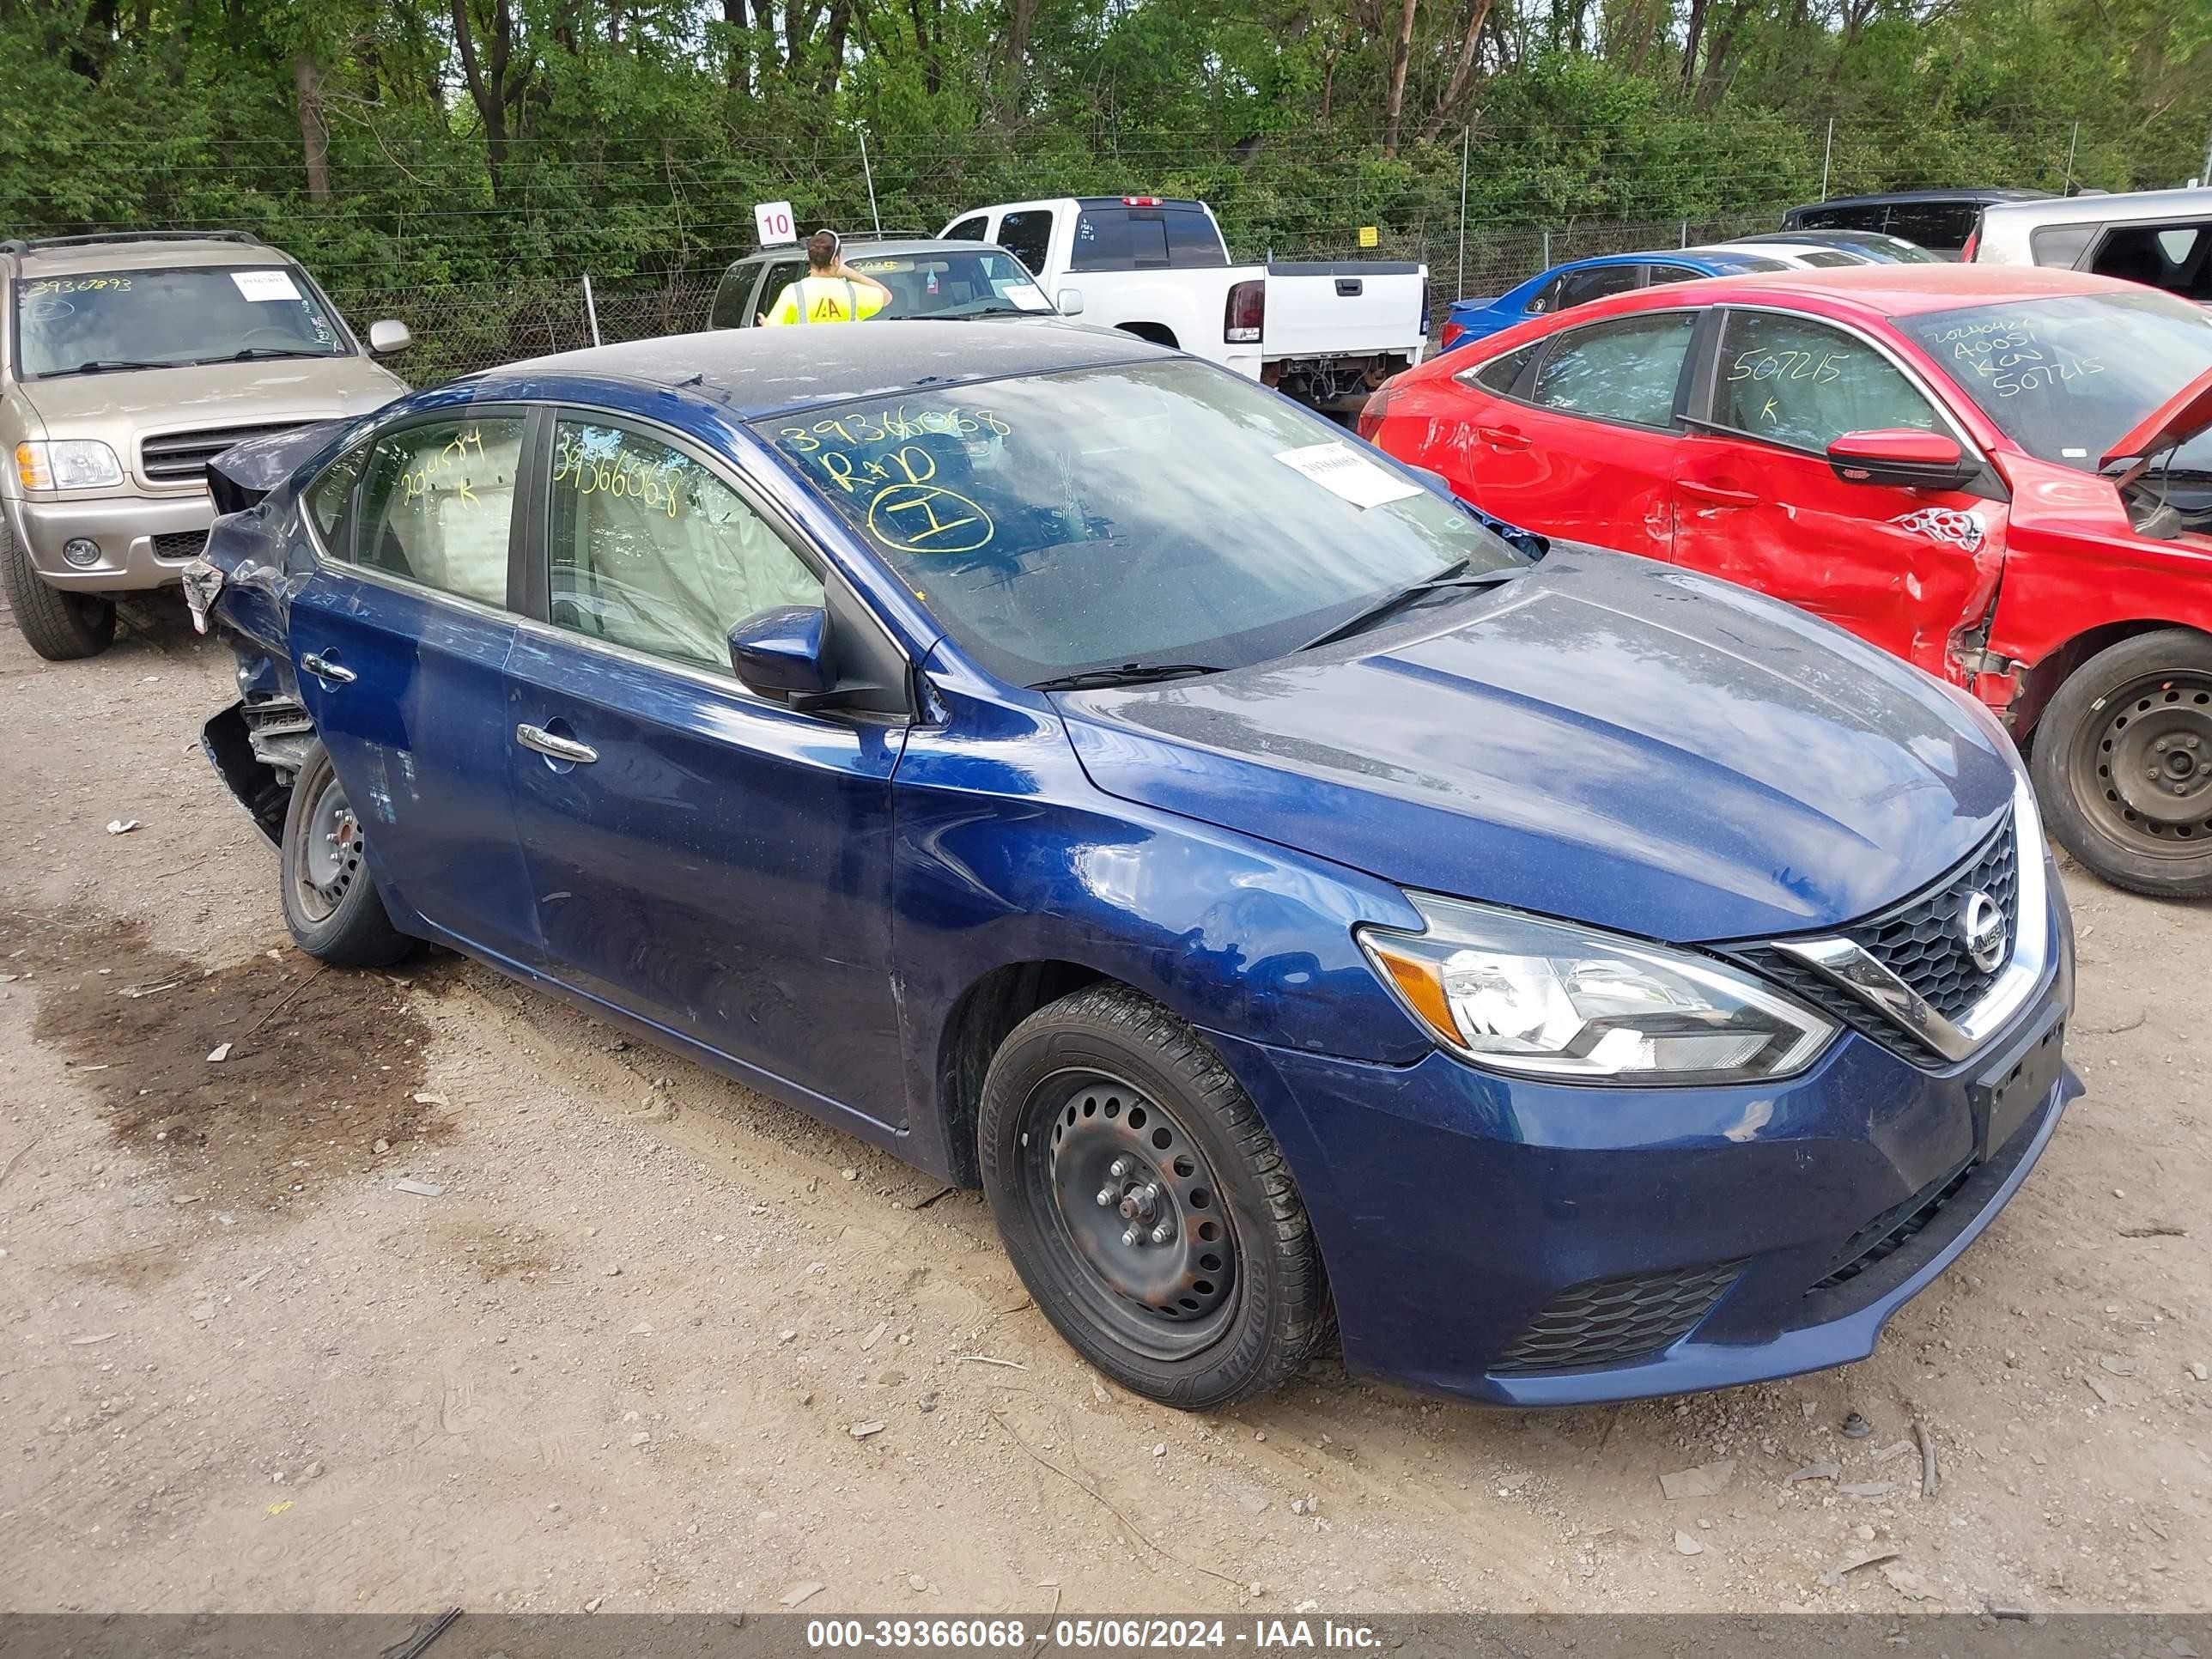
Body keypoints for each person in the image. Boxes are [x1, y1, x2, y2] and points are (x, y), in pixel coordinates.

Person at [760, 230, 893, 326]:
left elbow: (773, 333)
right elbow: (886, 297)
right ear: (836, 261)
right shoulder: (853, 293)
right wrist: (850, 273)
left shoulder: (794, 293)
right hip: (848, 363)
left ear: (810, 259)